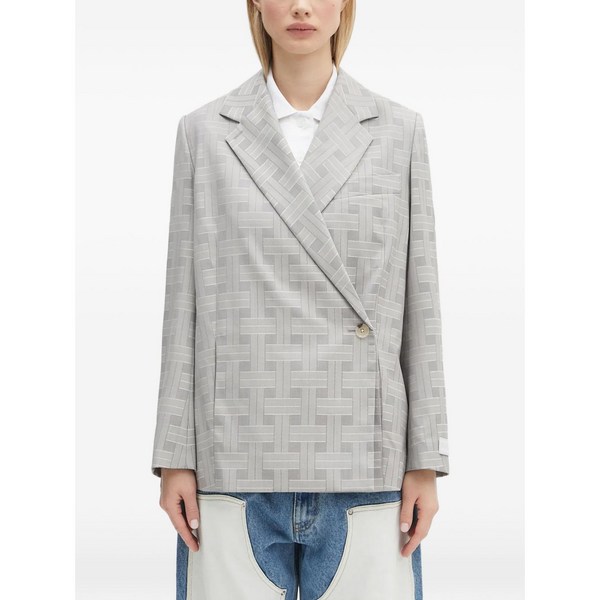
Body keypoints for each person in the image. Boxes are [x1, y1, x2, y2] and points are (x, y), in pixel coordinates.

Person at [151, 1, 450, 598]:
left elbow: (421, 303)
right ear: (255, 5)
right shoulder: (205, 132)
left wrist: (426, 460)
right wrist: (174, 455)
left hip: (365, 454)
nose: (301, 6)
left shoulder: (398, 131)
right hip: (234, 451)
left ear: (345, 6)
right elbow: (182, 303)